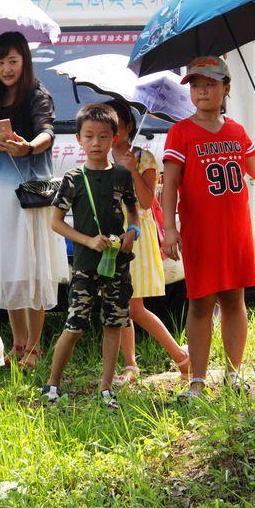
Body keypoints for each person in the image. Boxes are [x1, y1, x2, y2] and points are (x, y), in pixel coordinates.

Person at [161, 56, 255, 399]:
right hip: (200, 232)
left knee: (235, 300)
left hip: (235, 229)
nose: (202, 91)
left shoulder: (237, 131)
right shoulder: (180, 132)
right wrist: (169, 227)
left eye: (210, 84)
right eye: (195, 85)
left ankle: (233, 373)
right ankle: (197, 380)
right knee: (200, 303)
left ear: (226, 88)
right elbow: (170, 185)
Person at [0, 31, 68, 368]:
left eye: (13, 61)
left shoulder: (37, 94)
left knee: (32, 268)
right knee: (9, 268)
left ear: (24, 61)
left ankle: (35, 346)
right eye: (0, 61)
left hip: (30, 196)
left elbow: (47, 132)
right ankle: (18, 343)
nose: (6, 68)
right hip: (1, 197)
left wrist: (30, 147)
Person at [42, 104, 140, 409]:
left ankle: (107, 389)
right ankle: (52, 384)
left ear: (114, 138)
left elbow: (134, 210)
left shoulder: (122, 175)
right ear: (78, 139)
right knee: (75, 326)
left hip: (117, 266)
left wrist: (132, 232)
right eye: (89, 136)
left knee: (114, 325)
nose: (96, 143)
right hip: (85, 266)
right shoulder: (73, 178)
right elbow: (56, 223)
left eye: (103, 136)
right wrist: (87, 240)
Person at [106, 100, 189, 385]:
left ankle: (180, 356)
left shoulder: (145, 158)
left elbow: (146, 200)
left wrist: (130, 170)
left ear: (129, 126)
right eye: (107, 127)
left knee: (134, 306)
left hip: (137, 237)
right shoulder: (100, 159)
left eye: (117, 125)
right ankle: (131, 364)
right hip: (112, 239)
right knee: (120, 303)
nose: (112, 133)